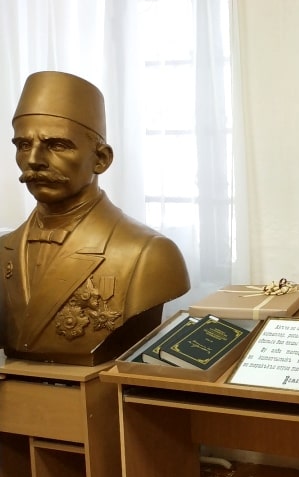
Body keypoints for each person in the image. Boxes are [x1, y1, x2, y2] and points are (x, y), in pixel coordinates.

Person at [0, 71, 190, 366]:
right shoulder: (4, 250)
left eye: (57, 145)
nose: (34, 159)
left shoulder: (148, 254)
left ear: (101, 159)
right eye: (23, 145)